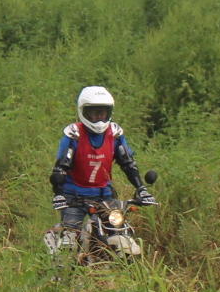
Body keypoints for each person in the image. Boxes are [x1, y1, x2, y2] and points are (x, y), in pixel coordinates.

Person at [49, 85, 153, 233]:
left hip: (105, 195)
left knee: (118, 229)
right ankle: (60, 252)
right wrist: (58, 193)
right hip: (74, 196)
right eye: (94, 113)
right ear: (84, 112)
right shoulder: (74, 134)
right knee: (70, 237)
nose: (99, 118)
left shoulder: (115, 133)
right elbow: (61, 167)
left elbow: (128, 164)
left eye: (102, 113)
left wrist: (141, 188)